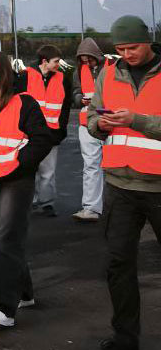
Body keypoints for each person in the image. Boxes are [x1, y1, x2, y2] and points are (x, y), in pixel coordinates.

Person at [86, 15, 161, 350]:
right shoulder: (108, 73)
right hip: (120, 185)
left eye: (132, 47)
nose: (126, 54)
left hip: (158, 185)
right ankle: (125, 342)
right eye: (120, 49)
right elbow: (90, 116)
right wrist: (99, 124)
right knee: (119, 265)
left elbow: (141, 122)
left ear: (148, 41)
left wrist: (136, 120)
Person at [0, 50, 51, 328]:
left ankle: (3, 308)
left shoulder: (24, 103)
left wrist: (20, 163)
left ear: (2, 73)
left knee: (5, 239)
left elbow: (42, 139)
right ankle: (24, 293)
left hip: (17, 180)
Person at [20, 44, 71, 217]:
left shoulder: (62, 79)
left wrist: (61, 129)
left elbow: (65, 107)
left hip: (51, 134)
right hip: (28, 134)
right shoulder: (25, 76)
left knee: (48, 172)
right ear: (44, 61)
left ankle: (46, 203)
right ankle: (28, 202)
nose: (58, 64)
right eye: (56, 61)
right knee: (28, 170)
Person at [73, 38, 108, 222]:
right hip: (86, 124)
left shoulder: (111, 67)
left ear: (97, 56)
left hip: (109, 122)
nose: (87, 63)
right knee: (91, 166)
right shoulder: (79, 71)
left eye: (90, 60)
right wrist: (79, 99)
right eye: (84, 60)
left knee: (114, 167)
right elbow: (75, 92)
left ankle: (117, 208)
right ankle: (91, 209)